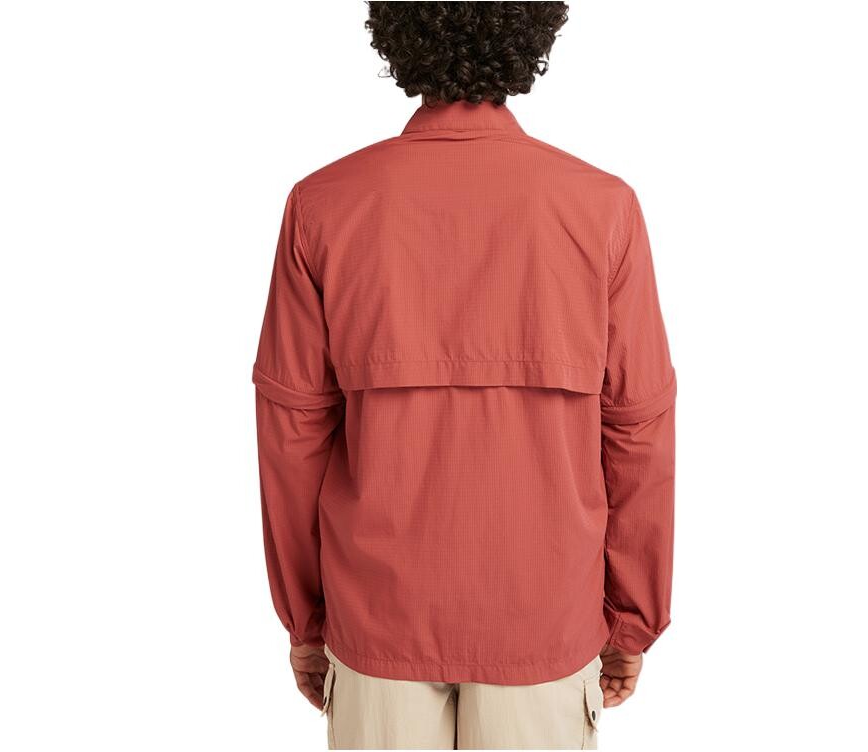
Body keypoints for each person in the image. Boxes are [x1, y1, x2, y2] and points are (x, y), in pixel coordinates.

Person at [251, 2, 676, 748]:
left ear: (399, 31)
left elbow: (291, 433)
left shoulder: (323, 204)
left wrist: (307, 619)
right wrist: (631, 618)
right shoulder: (601, 207)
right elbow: (638, 427)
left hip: (376, 613)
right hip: (542, 616)